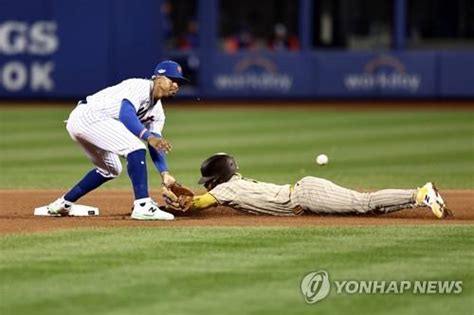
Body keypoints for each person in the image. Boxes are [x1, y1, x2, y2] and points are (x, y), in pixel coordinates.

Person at [45, 60, 188, 220]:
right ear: (158, 77)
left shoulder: (158, 113)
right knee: (136, 148)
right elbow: (126, 114)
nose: (176, 85)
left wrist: (165, 174)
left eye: (179, 82)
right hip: (88, 115)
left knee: (110, 169)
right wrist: (148, 136)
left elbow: (157, 144)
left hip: (89, 122)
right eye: (172, 79)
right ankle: (142, 205)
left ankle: (63, 203)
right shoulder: (140, 86)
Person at [164, 153, 452, 219]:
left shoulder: (226, 190)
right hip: (304, 193)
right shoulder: (234, 185)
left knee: (364, 204)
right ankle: (419, 197)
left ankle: (421, 193)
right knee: (367, 209)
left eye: (208, 180)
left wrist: (178, 202)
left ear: (217, 178)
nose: (208, 185)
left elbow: (199, 202)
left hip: (305, 194)